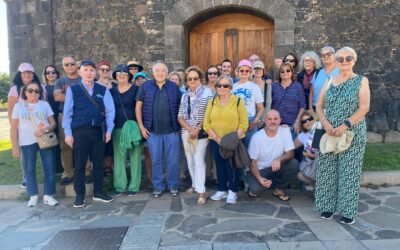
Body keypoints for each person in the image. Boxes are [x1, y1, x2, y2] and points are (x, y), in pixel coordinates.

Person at [315, 47, 370, 225]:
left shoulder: (362, 81)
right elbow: (318, 105)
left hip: (352, 133)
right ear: (336, 61)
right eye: (340, 58)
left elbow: (364, 108)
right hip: (330, 132)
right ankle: (327, 207)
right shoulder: (330, 80)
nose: (344, 61)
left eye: (348, 58)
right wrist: (327, 124)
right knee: (327, 170)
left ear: (354, 60)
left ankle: (347, 211)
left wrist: (344, 125)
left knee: (349, 172)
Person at [62, 60, 115, 207]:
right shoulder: (73, 90)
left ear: (95, 72)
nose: (89, 73)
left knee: (98, 163)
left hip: (98, 131)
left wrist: (109, 130)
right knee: (79, 165)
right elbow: (67, 114)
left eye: (92, 70)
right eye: (86, 70)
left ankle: (99, 192)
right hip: (80, 132)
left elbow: (110, 112)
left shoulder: (102, 90)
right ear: (80, 72)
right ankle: (80, 195)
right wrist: (68, 133)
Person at [135, 62, 181, 198]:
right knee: (156, 159)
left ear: (167, 73)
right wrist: (141, 127)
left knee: (173, 160)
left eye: (163, 70)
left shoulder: (173, 87)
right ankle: (158, 186)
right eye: (157, 71)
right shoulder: (145, 86)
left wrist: (180, 126)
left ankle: (173, 185)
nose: (160, 73)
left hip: (171, 130)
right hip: (152, 131)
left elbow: (181, 107)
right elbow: (138, 107)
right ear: (153, 73)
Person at [10, 82, 58, 207]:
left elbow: (53, 123)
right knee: (29, 169)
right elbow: (13, 128)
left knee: (49, 167)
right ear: (24, 92)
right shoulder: (18, 106)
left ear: (40, 93)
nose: (33, 93)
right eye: (30, 90)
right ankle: (33, 195)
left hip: (44, 140)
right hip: (26, 142)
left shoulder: (44, 104)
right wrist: (15, 146)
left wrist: (44, 130)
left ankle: (48, 195)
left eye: (37, 91)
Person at [203, 75, 248, 204]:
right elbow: (206, 124)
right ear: (216, 87)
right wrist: (217, 139)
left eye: (225, 85)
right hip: (215, 140)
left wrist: (232, 139)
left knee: (232, 166)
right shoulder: (212, 102)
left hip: (233, 141)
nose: (222, 88)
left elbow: (244, 123)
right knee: (220, 165)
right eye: (219, 85)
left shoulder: (238, 101)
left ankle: (232, 191)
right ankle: (222, 189)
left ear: (230, 88)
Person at [178, 66, 213, 205]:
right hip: (187, 132)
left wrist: (197, 129)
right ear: (186, 81)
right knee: (190, 160)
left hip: (201, 131)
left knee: (198, 159)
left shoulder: (207, 92)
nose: (192, 80)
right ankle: (194, 183)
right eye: (189, 78)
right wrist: (189, 129)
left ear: (201, 79)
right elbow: (180, 116)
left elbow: (209, 113)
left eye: (195, 78)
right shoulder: (184, 95)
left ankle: (202, 191)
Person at [54, 56, 91, 185]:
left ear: (76, 65)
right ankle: (68, 173)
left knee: (83, 143)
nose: (69, 67)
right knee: (65, 146)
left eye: (72, 64)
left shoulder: (84, 78)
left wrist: (70, 99)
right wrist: (76, 99)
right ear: (63, 67)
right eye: (66, 65)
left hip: (81, 116)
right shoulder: (60, 81)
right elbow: (57, 96)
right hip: (64, 115)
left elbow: (90, 94)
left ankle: (86, 172)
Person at [246, 110, 298, 200]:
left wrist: (279, 159)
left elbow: (291, 154)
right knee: (255, 190)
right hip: (260, 170)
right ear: (265, 121)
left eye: (275, 119)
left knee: (294, 164)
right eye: (269, 119)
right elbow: (252, 162)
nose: (272, 121)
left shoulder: (285, 131)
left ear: (280, 120)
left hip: (276, 167)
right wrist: (259, 178)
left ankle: (278, 189)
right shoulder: (257, 137)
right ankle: (262, 184)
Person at [7, 63, 42, 188]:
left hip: (40, 127)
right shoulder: (15, 89)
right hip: (23, 128)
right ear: (20, 74)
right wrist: (14, 128)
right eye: (24, 73)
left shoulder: (40, 87)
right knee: (26, 155)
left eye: (29, 72)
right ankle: (27, 177)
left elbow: (44, 105)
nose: (27, 74)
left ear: (33, 75)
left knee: (44, 152)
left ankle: (48, 175)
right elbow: (11, 111)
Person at [110, 64, 141, 196]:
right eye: (119, 74)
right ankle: (120, 185)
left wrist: (141, 126)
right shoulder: (111, 91)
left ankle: (134, 186)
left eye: (124, 73)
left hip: (133, 128)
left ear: (129, 76)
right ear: (116, 76)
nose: (122, 75)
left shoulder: (136, 89)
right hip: (117, 128)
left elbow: (140, 108)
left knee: (135, 157)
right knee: (119, 157)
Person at [232, 59, 264, 147]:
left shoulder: (255, 87)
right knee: (235, 151)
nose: (244, 72)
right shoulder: (232, 87)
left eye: (247, 70)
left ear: (250, 72)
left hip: (250, 122)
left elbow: (261, 108)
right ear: (237, 72)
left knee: (250, 149)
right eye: (241, 70)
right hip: (235, 122)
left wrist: (255, 120)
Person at [271, 63, 306, 134]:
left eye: (288, 70)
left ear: (292, 72)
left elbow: (302, 105)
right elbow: (269, 104)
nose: (285, 72)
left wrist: (297, 121)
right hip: (276, 124)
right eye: (282, 71)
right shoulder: (274, 86)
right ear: (279, 74)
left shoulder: (298, 86)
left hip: (292, 124)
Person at [42, 65, 62, 174]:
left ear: (57, 73)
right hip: (49, 118)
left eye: (53, 72)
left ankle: (64, 167)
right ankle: (55, 168)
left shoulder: (61, 85)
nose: (50, 74)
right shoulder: (43, 88)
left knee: (63, 142)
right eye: (48, 72)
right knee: (52, 141)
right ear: (45, 75)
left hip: (61, 115)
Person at [97, 60, 114, 176]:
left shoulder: (115, 85)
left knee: (111, 145)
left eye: (107, 70)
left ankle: (109, 167)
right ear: (98, 71)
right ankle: (101, 168)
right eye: (102, 69)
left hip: (113, 117)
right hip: (100, 118)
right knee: (101, 144)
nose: (104, 72)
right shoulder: (95, 85)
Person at [309, 46, 339, 112]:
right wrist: (310, 108)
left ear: (334, 55)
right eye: (323, 55)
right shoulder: (318, 72)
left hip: (333, 110)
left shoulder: (340, 72)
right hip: (315, 109)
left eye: (329, 54)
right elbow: (311, 92)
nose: (326, 56)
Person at [293, 111, 318, 190]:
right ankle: (317, 187)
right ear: (302, 125)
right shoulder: (303, 135)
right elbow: (290, 147)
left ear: (314, 119)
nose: (308, 122)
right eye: (304, 121)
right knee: (300, 175)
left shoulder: (321, 130)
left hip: (321, 161)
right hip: (310, 162)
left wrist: (313, 155)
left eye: (309, 119)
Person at [252, 60, 273, 127]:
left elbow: (268, 103)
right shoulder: (248, 84)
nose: (258, 71)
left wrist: (262, 120)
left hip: (262, 117)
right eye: (255, 69)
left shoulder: (267, 84)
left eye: (260, 69)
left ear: (263, 71)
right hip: (250, 116)